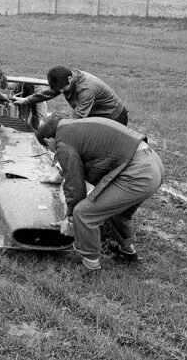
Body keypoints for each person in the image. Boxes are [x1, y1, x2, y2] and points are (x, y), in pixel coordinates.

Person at [36, 112, 163, 271]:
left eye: (49, 148)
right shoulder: (74, 126)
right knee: (118, 212)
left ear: (49, 140)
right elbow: (86, 156)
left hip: (138, 174)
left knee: (83, 214)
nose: (53, 151)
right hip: (153, 164)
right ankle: (127, 252)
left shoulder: (61, 141)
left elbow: (75, 186)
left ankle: (90, 266)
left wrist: (70, 220)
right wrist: (62, 175)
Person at [13, 66, 129, 124]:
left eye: (63, 90)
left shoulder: (86, 90)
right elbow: (49, 93)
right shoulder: (65, 80)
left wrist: (53, 125)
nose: (61, 92)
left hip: (114, 117)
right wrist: (25, 100)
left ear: (69, 79)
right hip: (96, 116)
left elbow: (77, 118)